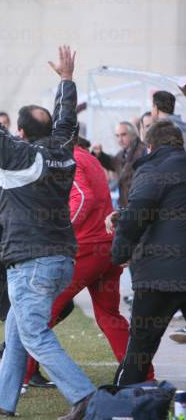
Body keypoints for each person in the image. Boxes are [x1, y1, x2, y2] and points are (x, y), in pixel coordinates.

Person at [0, 47, 95, 419]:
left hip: (33, 261)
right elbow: (67, 120)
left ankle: (85, 397)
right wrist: (67, 81)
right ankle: (2, 400)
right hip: (57, 258)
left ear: (21, 133)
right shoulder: (64, 150)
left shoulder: (17, 155)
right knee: (16, 333)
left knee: (33, 334)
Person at [23, 134, 152, 387]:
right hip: (106, 247)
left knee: (38, 314)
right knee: (109, 316)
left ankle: (20, 377)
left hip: (88, 249)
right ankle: (144, 378)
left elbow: (83, 198)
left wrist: (57, 232)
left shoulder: (71, 159)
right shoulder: (89, 158)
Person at [111, 120, 186, 385]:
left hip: (158, 273)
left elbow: (137, 216)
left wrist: (118, 254)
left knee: (140, 348)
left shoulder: (152, 169)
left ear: (150, 145)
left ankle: (123, 403)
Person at [92, 121, 146, 208]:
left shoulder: (144, 151)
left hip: (138, 206)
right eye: (117, 136)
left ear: (133, 134)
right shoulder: (122, 153)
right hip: (126, 205)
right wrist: (100, 155)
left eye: (123, 135)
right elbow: (113, 163)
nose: (120, 139)